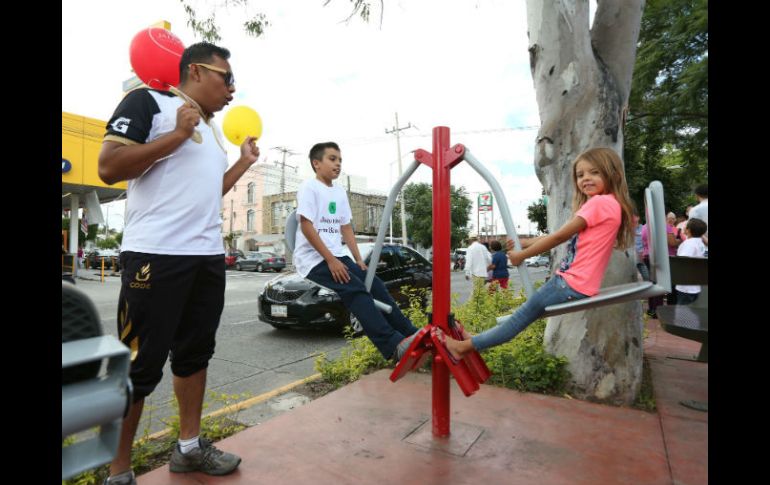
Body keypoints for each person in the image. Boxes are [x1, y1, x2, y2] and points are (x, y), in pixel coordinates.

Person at [98, 42, 258, 485]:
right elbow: (108, 168)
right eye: (227, 78)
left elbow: (207, 193)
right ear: (195, 72)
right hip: (155, 255)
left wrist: (242, 163)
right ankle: (118, 470)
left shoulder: (209, 130)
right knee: (140, 364)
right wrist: (175, 136)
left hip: (205, 257)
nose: (232, 88)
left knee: (194, 354)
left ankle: (188, 447)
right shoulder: (149, 102)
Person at [436, 147, 635, 359]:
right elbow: (562, 234)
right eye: (580, 174)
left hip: (570, 282)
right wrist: (526, 241)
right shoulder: (611, 204)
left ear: (612, 174)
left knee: (519, 318)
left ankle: (462, 348)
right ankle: (472, 340)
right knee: (520, 317)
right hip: (581, 285)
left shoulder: (598, 203)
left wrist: (523, 255)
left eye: (594, 172)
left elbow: (559, 238)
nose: (586, 178)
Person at [293, 142, 421, 361]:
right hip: (313, 258)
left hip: (338, 255)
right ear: (316, 163)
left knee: (376, 286)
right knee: (355, 289)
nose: (338, 164)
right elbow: (306, 225)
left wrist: (359, 259)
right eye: (332, 159)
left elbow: (346, 228)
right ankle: (392, 345)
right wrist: (331, 260)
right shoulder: (309, 188)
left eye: (340, 160)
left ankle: (411, 334)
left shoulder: (340, 191)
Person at [673, 218, 708, 304]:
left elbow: (683, 262)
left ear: (688, 230)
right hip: (694, 286)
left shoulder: (689, 244)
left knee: (683, 314)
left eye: (686, 226)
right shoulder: (700, 243)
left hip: (686, 286)